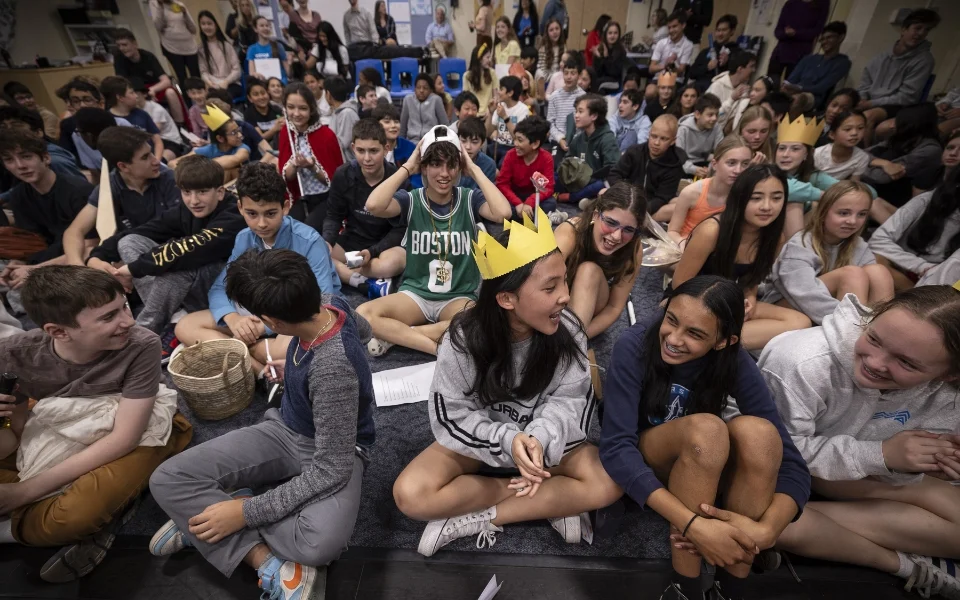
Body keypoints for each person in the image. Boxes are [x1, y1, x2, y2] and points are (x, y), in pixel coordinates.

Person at [149, 249, 373, 600]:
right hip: (285, 427)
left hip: (335, 452)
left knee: (316, 545)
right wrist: (302, 379)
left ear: (273, 321)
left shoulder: (332, 370)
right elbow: (363, 329)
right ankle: (256, 553)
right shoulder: (331, 302)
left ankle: (204, 520)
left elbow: (332, 468)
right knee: (167, 478)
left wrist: (246, 513)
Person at [393, 214, 621, 556]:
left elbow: (574, 402)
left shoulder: (569, 329)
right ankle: (551, 501)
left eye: (564, 282)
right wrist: (507, 440)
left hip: (544, 446)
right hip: (488, 442)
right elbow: (452, 415)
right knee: (410, 494)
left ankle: (490, 514)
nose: (564, 296)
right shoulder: (463, 339)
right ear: (506, 299)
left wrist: (539, 440)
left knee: (610, 479)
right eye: (550, 287)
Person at [600, 275, 809, 600]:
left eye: (695, 334)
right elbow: (616, 447)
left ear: (723, 341)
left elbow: (793, 465)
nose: (673, 338)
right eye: (671, 320)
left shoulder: (735, 360)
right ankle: (684, 587)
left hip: (704, 463)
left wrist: (767, 531)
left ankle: (732, 586)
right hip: (653, 457)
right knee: (707, 429)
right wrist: (693, 525)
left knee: (761, 434)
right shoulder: (636, 344)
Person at [761, 285, 960, 600]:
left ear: (948, 375)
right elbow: (774, 451)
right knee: (777, 522)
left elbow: (914, 453)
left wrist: (933, 462)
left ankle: (796, 526)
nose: (876, 362)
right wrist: (882, 454)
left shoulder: (949, 395)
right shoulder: (802, 360)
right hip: (796, 466)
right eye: (874, 339)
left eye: (906, 363)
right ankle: (902, 565)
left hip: (862, 470)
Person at [0, 265, 192, 582]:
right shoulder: (14, 354)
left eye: (123, 307)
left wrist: (24, 492)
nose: (128, 321)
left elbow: (124, 438)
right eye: (108, 317)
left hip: (128, 427)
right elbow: (15, 434)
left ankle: (13, 528)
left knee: (76, 514)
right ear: (58, 331)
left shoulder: (140, 344)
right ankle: (73, 515)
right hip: (50, 425)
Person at [358, 125, 512, 357]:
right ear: (425, 166)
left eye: (451, 165)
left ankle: (400, 335)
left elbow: (503, 213)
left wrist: (472, 167)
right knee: (362, 314)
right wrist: (409, 167)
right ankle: (433, 345)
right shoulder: (411, 200)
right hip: (416, 294)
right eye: (435, 164)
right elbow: (373, 205)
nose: (444, 173)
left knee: (479, 324)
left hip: (458, 297)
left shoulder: (470, 199)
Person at [174, 163, 339, 373]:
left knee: (285, 348)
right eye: (252, 213)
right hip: (256, 309)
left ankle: (237, 350)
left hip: (297, 312)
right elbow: (220, 287)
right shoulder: (244, 238)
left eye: (270, 213)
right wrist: (232, 319)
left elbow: (322, 299)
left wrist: (264, 326)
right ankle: (261, 372)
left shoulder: (309, 240)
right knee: (185, 326)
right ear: (240, 208)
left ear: (285, 207)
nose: (261, 223)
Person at [84, 155, 243, 341]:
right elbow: (144, 230)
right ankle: (172, 317)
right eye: (187, 192)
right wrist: (96, 257)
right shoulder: (185, 211)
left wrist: (130, 270)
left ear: (220, 192)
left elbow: (190, 249)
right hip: (189, 289)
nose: (193, 201)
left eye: (202, 192)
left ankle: (140, 337)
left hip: (224, 291)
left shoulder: (233, 214)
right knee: (129, 242)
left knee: (176, 266)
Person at [672, 164, 812, 350]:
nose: (767, 206)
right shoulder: (712, 231)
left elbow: (750, 282)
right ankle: (710, 341)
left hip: (730, 303)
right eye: (756, 198)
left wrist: (751, 298)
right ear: (740, 198)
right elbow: (680, 284)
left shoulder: (775, 237)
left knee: (800, 321)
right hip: (693, 303)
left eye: (777, 198)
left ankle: (714, 342)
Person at [765, 180, 894, 325]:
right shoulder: (800, 244)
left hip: (835, 312)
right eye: (844, 213)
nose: (852, 221)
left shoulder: (859, 246)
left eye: (861, 214)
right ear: (824, 211)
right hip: (786, 307)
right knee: (852, 274)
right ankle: (851, 331)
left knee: (878, 271)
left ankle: (883, 329)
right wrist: (855, 324)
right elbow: (805, 295)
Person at [61, 128, 181, 266]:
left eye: (151, 152)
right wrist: (77, 264)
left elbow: (175, 231)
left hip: (170, 252)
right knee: (85, 254)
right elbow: (75, 230)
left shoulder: (170, 179)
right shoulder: (110, 186)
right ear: (123, 166)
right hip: (133, 251)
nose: (156, 161)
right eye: (145, 157)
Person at [0, 130, 93, 289]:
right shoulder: (19, 196)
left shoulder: (78, 191)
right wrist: (18, 263)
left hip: (80, 262)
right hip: (46, 261)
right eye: (9, 160)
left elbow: (91, 246)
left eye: (26, 156)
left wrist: (34, 270)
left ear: (46, 158)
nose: (20, 166)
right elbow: (33, 242)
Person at [323, 119, 406, 296]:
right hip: (352, 242)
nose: (367, 158)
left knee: (397, 260)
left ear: (386, 148)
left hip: (384, 247)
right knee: (317, 250)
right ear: (353, 148)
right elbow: (333, 215)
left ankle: (348, 274)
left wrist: (372, 251)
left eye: (374, 151)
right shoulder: (343, 174)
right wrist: (328, 241)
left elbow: (401, 229)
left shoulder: (398, 179)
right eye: (361, 151)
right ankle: (363, 282)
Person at [554, 183, 646, 338]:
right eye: (610, 223)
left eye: (628, 230)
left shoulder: (634, 248)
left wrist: (576, 339)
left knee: (589, 270)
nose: (617, 236)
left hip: (592, 302)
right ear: (596, 215)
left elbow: (614, 308)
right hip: (556, 296)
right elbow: (539, 282)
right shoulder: (570, 232)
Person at [857, 9, 940, 145]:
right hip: (872, 101)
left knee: (868, 116)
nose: (921, 34)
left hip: (899, 106)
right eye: (917, 28)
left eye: (926, 30)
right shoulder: (882, 57)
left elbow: (907, 97)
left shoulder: (924, 60)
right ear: (903, 30)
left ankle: (862, 158)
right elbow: (865, 83)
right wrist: (862, 98)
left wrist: (870, 104)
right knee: (841, 106)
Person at [868, 168, 960, 291]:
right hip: (903, 267)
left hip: (937, 284)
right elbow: (878, 240)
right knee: (874, 259)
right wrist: (921, 266)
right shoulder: (927, 200)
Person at [279, 83, 344, 228]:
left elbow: (334, 180)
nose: (296, 113)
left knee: (308, 228)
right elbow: (286, 177)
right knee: (288, 227)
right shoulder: (286, 132)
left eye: (302, 108)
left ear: (311, 109)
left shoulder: (326, 135)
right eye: (290, 107)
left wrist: (312, 166)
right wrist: (294, 165)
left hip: (325, 198)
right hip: (300, 197)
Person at [861, 103, 944, 214]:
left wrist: (855, 164)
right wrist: (883, 163)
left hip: (893, 197)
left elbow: (881, 177)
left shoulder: (930, 150)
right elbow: (861, 153)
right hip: (872, 184)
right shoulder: (902, 138)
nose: (892, 125)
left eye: (898, 121)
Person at [668, 135, 751, 243]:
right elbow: (672, 231)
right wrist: (682, 243)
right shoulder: (692, 193)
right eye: (731, 163)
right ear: (715, 164)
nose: (738, 170)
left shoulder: (748, 195)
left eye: (745, 164)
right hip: (688, 248)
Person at [774, 114, 846, 238]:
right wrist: (821, 195)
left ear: (807, 154)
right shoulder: (768, 173)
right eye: (781, 148)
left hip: (803, 229)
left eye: (795, 149)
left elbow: (848, 190)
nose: (785, 154)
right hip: (771, 228)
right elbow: (784, 187)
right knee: (797, 200)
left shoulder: (814, 176)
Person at [609, 115, 687, 222]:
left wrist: (641, 210)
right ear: (649, 134)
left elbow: (662, 198)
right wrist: (626, 195)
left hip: (652, 206)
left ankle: (634, 220)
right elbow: (614, 174)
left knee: (676, 206)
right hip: (628, 197)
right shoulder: (634, 152)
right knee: (604, 191)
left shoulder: (675, 165)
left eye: (664, 139)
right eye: (654, 136)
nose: (656, 143)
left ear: (673, 141)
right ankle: (637, 221)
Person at [557, 94, 620, 205]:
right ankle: (586, 200)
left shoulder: (607, 139)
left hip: (595, 183)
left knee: (600, 185)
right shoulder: (578, 139)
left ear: (594, 116)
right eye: (576, 111)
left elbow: (612, 170)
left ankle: (572, 198)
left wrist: (589, 178)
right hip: (577, 181)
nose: (576, 115)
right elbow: (566, 161)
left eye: (580, 112)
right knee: (554, 176)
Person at [113, 29, 185, 124]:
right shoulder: (119, 59)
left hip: (153, 87)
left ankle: (181, 125)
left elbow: (166, 81)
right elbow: (122, 85)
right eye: (119, 46)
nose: (122, 48)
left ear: (135, 44)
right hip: (135, 91)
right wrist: (142, 93)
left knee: (171, 92)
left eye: (124, 45)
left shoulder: (148, 56)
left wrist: (152, 90)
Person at [0, 105, 83, 182]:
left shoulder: (55, 160)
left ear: (38, 133)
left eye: (16, 127)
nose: (9, 132)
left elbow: (82, 191)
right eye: (3, 127)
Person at [495, 116, 556, 220]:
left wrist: (530, 202)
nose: (515, 144)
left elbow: (548, 187)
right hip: (514, 196)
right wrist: (518, 203)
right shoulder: (510, 155)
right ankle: (530, 217)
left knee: (550, 203)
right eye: (515, 139)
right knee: (499, 204)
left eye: (520, 140)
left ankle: (523, 216)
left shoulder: (546, 158)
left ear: (535, 144)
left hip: (533, 196)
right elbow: (502, 184)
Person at [781, 21, 851, 109]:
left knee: (798, 98)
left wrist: (799, 88)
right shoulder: (809, 59)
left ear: (841, 37)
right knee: (775, 95)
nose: (824, 42)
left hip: (814, 97)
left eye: (829, 38)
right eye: (822, 39)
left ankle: (788, 123)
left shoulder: (842, 63)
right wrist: (786, 86)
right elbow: (792, 79)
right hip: (795, 90)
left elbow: (821, 88)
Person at [176, 104, 251, 181]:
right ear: (220, 138)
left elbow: (235, 159)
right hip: (213, 188)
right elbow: (173, 164)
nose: (240, 135)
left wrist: (198, 167)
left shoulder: (242, 148)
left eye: (239, 130)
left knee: (230, 168)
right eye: (233, 133)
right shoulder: (209, 149)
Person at [100, 76, 165, 161]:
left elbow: (157, 140)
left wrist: (157, 160)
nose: (136, 96)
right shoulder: (108, 120)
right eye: (132, 92)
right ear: (120, 97)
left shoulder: (141, 114)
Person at [766, 0, 829, 81]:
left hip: (800, 56)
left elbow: (817, 31)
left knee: (789, 88)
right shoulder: (790, 3)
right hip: (780, 53)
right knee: (769, 83)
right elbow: (777, 32)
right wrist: (786, 33)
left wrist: (796, 33)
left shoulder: (822, 3)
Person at [149, 0, 200, 84]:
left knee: (196, 76)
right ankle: (187, 97)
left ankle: (201, 96)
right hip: (171, 47)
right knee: (182, 77)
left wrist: (185, 13)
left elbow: (193, 29)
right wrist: (160, 7)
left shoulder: (179, 4)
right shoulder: (155, 3)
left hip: (189, 46)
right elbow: (158, 26)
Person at [687, 14, 740, 93]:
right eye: (718, 30)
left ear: (732, 31)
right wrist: (707, 67)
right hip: (699, 90)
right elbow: (692, 73)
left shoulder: (737, 52)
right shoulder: (705, 52)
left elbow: (737, 76)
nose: (720, 34)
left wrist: (726, 63)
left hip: (720, 92)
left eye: (724, 30)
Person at [197, 11, 243, 99]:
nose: (206, 27)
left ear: (216, 25)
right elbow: (203, 72)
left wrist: (226, 82)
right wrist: (210, 83)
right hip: (213, 85)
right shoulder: (201, 49)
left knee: (222, 97)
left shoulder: (227, 46)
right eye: (203, 24)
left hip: (231, 84)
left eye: (209, 23)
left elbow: (237, 70)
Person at [705, 52, 757, 130]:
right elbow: (709, 116)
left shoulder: (744, 89)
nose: (754, 70)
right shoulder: (717, 86)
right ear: (740, 69)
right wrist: (731, 99)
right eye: (751, 66)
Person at [814, 110, 871, 180]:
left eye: (860, 128)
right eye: (848, 129)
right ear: (832, 134)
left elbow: (854, 183)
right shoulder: (818, 154)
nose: (854, 133)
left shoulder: (862, 157)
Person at [486, 76, 529, 166]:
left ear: (510, 93)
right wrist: (490, 112)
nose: (498, 92)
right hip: (496, 145)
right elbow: (488, 133)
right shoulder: (500, 106)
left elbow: (517, 137)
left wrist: (505, 117)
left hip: (512, 148)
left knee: (503, 164)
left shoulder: (523, 110)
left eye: (501, 89)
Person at [677, 93, 723, 177]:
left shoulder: (717, 127)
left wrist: (710, 169)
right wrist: (693, 169)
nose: (714, 119)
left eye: (716, 114)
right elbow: (678, 156)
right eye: (710, 115)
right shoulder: (683, 129)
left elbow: (720, 152)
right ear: (697, 114)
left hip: (705, 164)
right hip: (685, 165)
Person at [647, 11, 695, 92]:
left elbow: (681, 71)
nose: (671, 30)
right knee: (650, 91)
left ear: (683, 25)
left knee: (668, 92)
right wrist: (664, 66)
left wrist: (672, 67)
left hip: (675, 80)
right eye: (669, 27)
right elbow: (651, 68)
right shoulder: (661, 43)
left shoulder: (688, 45)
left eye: (674, 26)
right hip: (659, 78)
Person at [546, 59, 585, 150]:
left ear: (578, 76)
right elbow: (550, 122)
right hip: (558, 140)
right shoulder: (554, 96)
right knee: (557, 164)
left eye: (573, 73)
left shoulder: (584, 97)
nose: (569, 77)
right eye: (566, 73)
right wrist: (560, 139)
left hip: (578, 141)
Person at [401, 74, 449, 143]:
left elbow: (445, 125)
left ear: (430, 90)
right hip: (412, 142)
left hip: (431, 142)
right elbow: (403, 126)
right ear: (415, 89)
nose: (421, 90)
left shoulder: (436, 100)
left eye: (425, 88)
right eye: (418, 87)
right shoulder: (408, 100)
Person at [457, 116, 498, 192]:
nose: (468, 147)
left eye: (474, 142)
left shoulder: (489, 164)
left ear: (482, 143)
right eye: (463, 141)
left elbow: (486, 196)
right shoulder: (450, 160)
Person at [247, 16, 291, 85]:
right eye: (262, 26)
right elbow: (251, 73)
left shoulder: (278, 46)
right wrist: (256, 75)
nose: (265, 28)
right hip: (263, 83)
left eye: (267, 26)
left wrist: (290, 63)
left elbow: (289, 73)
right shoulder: (252, 49)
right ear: (255, 29)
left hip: (280, 82)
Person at [325, 76, 360, 162]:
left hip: (349, 164)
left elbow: (341, 143)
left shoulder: (347, 113)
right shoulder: (336, 112)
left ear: (328, 94)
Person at [242, 80, 283, 149]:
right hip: (262, 149)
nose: (261, 97)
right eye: (256, 94)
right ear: (250, 98)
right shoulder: (249, 114)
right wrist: (275, 129)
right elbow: (260, 138)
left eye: (263, 93)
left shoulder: (276, 109)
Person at [611, 89, 652, 153]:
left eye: (625, 102)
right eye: (620, 101)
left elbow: (641, 145)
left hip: (630, 156)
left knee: (632, 134)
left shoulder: (644, 121)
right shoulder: (616, 116)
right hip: (613, 152)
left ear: (635, 106)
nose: (620, 105)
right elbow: (609, 136)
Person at [464, 44, 497, 118]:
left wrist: (490, 111)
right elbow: (465, 97)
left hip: (489, 112)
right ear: (479, 59)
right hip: (473, 114)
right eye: (487, 57)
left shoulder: (492, 73)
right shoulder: (467, 75)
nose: (489, 60)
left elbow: (496, 96)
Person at [593, 20, 626, 88]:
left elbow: (614, 73)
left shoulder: (621, 51)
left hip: (614, 81)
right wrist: (599, 58)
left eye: (615, 33)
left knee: (598, 83)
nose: (612, 36)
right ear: (605, 34)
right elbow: (597, 72)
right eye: (610, 33)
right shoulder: (600, 48)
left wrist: (606, 57)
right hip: (601, 79)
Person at [536, 18, 565, 83]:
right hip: (547, 83)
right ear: (547, 33)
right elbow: (541, 74)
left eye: (557, 28)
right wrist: (557, 78)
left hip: (561, 81)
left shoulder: (564, 47)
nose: (555, 32)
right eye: (551, 30)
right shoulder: (542, 49)